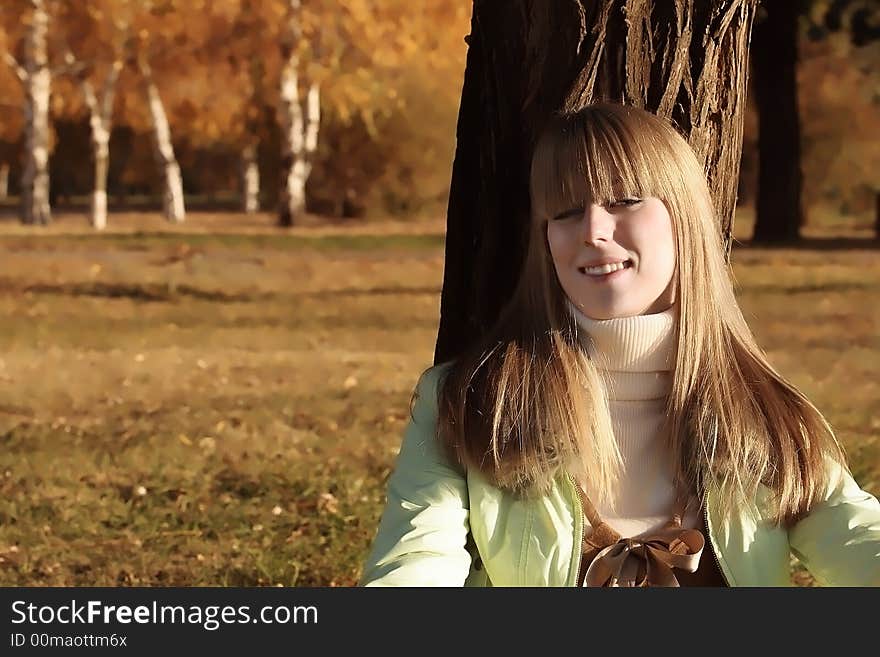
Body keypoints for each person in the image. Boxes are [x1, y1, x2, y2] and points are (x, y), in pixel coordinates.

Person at [358, 103, 880, 587]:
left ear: (684, 219)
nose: (592, 229)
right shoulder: (471, 401)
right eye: (564, 212)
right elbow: (414, 566)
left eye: (624, 200)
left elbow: (857, 541)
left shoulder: (767, 414)